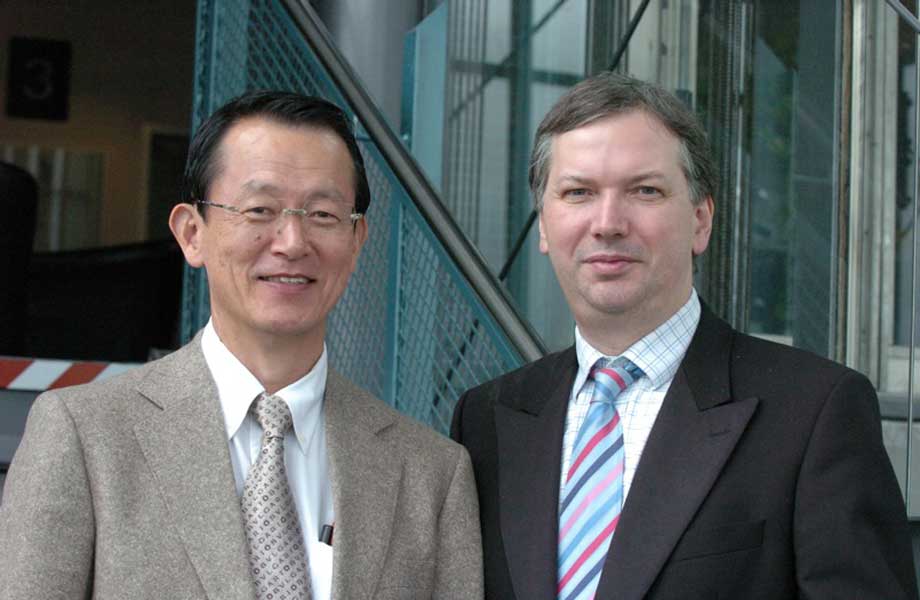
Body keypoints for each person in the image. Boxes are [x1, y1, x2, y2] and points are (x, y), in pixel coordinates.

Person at [451, 72, 917, 599]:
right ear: (542, 224)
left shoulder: (815, 413)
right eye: (578, 192)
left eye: (644, 191)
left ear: (700, 220)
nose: (608, 223)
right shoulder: (485, 420)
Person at [0, 91, 483, 600]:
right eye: (259, 209)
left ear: (357, 240)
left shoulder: (431, 474)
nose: (292, 242)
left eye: (322, 214)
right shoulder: (84, 435)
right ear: (192, 233)